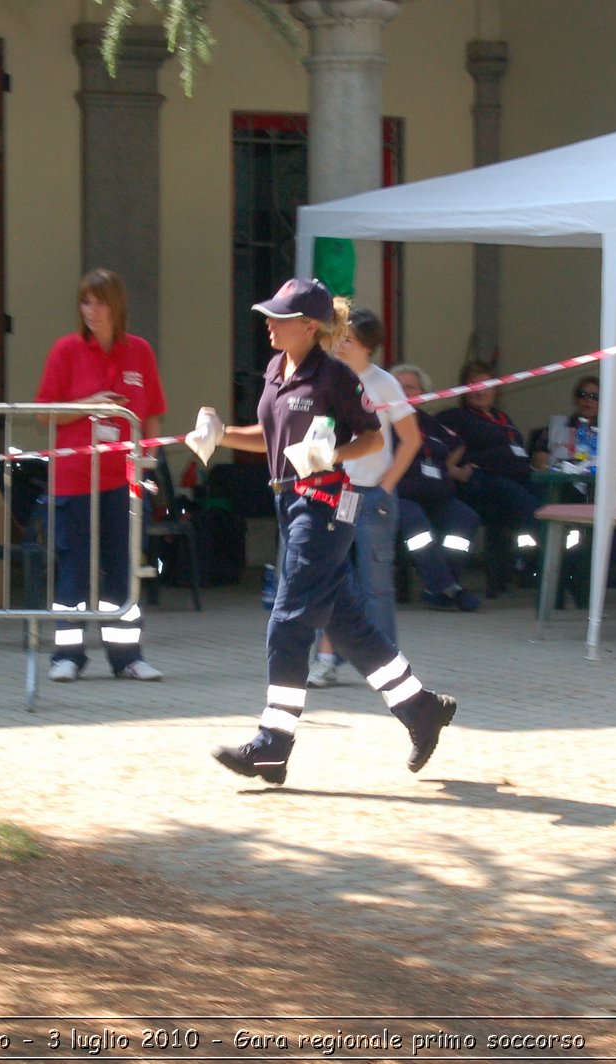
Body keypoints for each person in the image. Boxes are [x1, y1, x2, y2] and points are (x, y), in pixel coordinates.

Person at [189, 278, 456, 786]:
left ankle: (274, 740)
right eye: (268, 314)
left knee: (289, 619)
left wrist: (331, 453)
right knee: (350, 627)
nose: (268, 322)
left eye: (279, 317)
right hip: (290, 502)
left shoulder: (333, 376)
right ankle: (420, 708)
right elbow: (269, 437)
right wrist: (220, 435)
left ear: (309, 326)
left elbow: (373, 438)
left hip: (328, 506)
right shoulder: (275, 369)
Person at [35, 268, 166, 683]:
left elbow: (153, 416)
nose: (91, 310)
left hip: (125, 481)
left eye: (99, 301)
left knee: (123, 569)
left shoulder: (140, 351)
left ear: (117, 305)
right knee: (74, 570)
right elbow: (44, 414)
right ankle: (66, 657)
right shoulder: (65, 351)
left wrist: (149, 466)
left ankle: (126, 657)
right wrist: (91, 403)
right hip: (74, 480)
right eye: (85, 302)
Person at [308, 306, 419, 689]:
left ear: (367, 347)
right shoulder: (326, 378)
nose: (340, 345)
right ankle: (325, 660)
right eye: (337, 337)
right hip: (333, 493)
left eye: (349, 340)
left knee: (376, 584)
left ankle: (387, 666)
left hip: (372, 495)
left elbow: (411, 439)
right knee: (331, 580)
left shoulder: (384, 383)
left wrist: (386, 486)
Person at [434, 359, 543, 594]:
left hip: (519, 477)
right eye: (473, 384)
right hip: (482, 482)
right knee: (531, 507)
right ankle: (545, 569)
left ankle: (539, 566)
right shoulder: (454, 417)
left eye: (486, 384)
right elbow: (441, 454)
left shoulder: (503, 419)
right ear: (463, 389)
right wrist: (459, 469)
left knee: (549, 498)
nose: (480, 390)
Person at [390, 364, 483, 612]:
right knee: (417, 524)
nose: (404, 391)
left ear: (423, 392)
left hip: (438, 496)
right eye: (398, 386)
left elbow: (457, 444)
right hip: (400, 495)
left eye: (410, 386)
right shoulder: (382, 420)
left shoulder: (430, 423)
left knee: (466, 517)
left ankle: (438, 588)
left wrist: (450, 468)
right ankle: (447, 587)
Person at [529, 373, 600, 470]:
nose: (587, 400)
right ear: (576, 400)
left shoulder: (608, 432)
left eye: (594, 396)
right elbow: (539, 461)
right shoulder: (556, 427)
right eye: (582, 395)